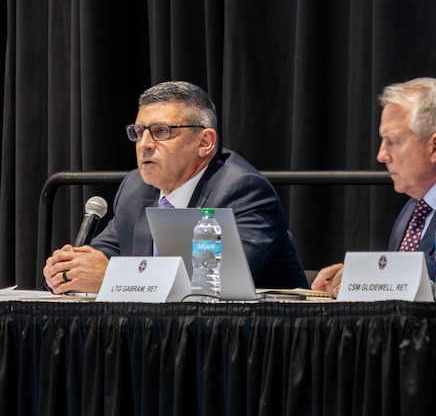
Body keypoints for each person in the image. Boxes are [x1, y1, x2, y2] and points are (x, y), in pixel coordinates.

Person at [43, 80, 308, 294]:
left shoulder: (243, 190)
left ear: (205, 142)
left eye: (160, 132)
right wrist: (68, 271)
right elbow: (101, 257)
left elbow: (217, 283)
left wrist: (113, 278)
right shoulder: (137, 188)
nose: (144, 144)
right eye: (139, 131)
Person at [311, 77, 436, 298]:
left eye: (393, 141)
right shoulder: (416, 204)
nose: (381, 155)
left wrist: (368, 276)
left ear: (435, 146)